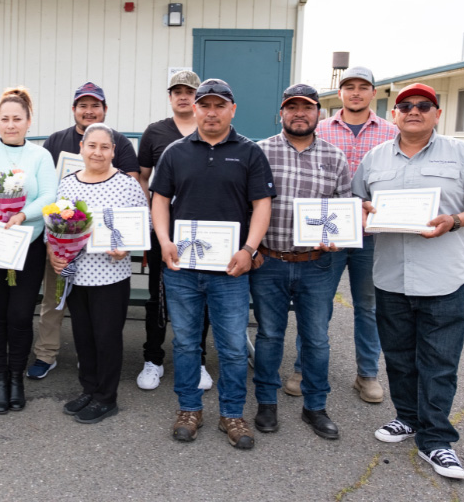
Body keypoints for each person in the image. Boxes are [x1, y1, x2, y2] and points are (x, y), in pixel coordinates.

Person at [354, 82, 464, 480]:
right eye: (405, 106)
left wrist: (454, 220)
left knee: (438, 363)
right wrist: (365, 211)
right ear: (394, 115)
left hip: (443, 279)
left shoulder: (461, 154)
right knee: (400, 357)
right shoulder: (373, 159)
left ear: (437, 114)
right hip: (391, 277)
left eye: (424, 105)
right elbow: (358, 203)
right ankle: (407, 418)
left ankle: (437, 441)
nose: (414, 111)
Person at [151, 78, 274, 449]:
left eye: (220, 105)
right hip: (183, 271)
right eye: (205, 105)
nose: (211, 112)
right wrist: (163, 241)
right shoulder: (175, 151)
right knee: (187, 343)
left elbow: (262, 205)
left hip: (230, 271)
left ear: (232, 110)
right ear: (195, 108)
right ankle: (189, 408)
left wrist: (250, 249)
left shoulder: (250, 152)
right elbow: (159, 199)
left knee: (234, 346)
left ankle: (232, 414)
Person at [278, 66, 398, 404]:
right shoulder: (320, 128)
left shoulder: (391, 132)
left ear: (373, 92)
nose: (356, 92)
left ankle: (367, 374)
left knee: (368, 306)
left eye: (363, 87)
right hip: (326, 232)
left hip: (372, 233)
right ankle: (303, 368)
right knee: (315, 305)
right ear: (339, 93)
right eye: (349, 87)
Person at [250, 84, 351, 441]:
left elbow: (345, 206)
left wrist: (340, 233)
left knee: (317, 339)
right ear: (281, 113)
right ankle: (266, 402)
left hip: (317, 263)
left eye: (306, 108)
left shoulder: (335, 157)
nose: (299, 113)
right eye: (291, 107)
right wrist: (253, 249)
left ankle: (315, 407)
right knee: (269, 336)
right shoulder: (260, 152)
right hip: (270, 261)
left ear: (318, 113)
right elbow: (246, 204)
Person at [27, 82, 139, 380]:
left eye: (95, 105)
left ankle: (93, 366)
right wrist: (56, 245)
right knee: (55, 299)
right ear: (74, 109)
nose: (89, 111)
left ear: (105, 109)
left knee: (99, 321)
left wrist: (123, 237)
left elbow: (131, 186)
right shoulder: (55, 140)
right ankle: (47, 353)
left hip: (105, 254)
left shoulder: (120, 142)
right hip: (64, 241)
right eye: (83, 105)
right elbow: (48, 187)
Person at [0, 87, 58, 414]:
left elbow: (48, 195)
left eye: (17, 119)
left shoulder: (40, 156)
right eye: (4, 119)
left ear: (29, 121)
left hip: (27, 243)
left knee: (19, 315)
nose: (11, 124)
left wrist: (21, 215)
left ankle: (16, 376)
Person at [48, 123, 149, 423]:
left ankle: (107, 397)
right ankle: (89, 389)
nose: (98, 152)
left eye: (105, 147)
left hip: (111, 277)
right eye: (92, 145)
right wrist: (54, 253)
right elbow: (56, 227)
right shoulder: (67, 184)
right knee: (83, 336)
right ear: (81, 147)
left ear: (113, 152)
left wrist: (126, 247)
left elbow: (147, 226)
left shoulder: (127, 185)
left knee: (106, 338)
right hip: (77, 276)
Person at [136, 70, 212, 392]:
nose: (183, 96)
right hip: (163, 230)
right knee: (158, 295)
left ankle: (199, 360)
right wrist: (150, 220)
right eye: (177, 91)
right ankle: (153, 358)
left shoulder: (210, 128)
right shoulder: (155, 132)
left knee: (203, 296)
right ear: (170, 97)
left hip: (205, 229)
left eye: (189, 91)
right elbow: (142, 178)